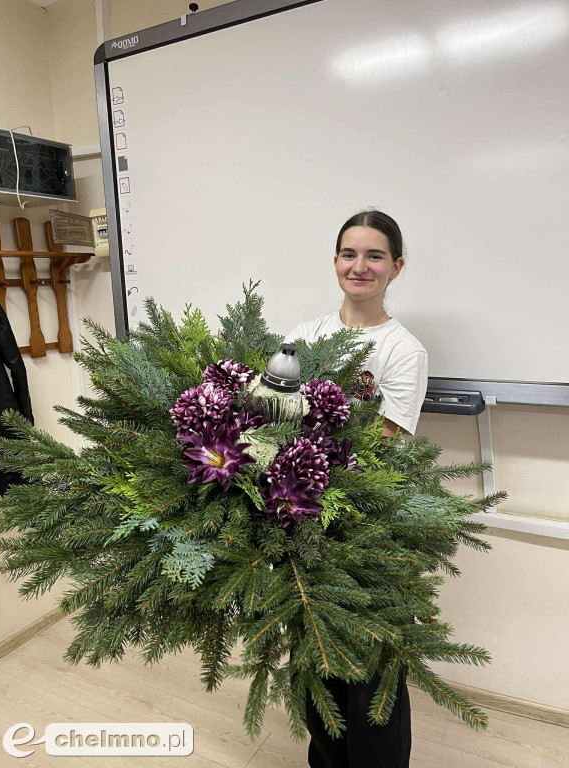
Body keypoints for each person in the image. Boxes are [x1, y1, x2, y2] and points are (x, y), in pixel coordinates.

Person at [283, 209, 429, 767]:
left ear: (396, 266)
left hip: (368, 528)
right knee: (316, 667)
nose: (359, 266)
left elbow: (382, 445)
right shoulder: (303, 336)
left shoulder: (402, 350)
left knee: (372, 679)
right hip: (301, 523)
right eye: (349, 253)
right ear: (335, 261)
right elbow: (271, 414)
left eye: (374, 255)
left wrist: (308, 440)